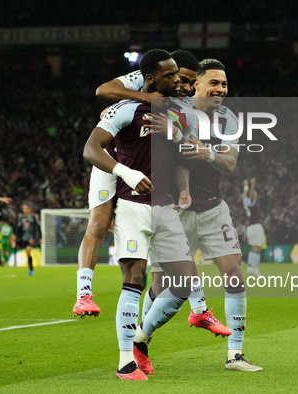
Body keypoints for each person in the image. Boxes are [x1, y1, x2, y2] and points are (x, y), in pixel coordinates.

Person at [84, 49, 228, 380]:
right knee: (133, 280)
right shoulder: (126, 108)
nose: (179, 80)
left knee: (184, 283)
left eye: (181, 76)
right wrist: (126, 173)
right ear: (152, 79)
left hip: (165, 208)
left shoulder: (179, 112)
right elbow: (91, 148)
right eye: (172, 76)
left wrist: (188, 146)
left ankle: (139, 340)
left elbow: (184, 158)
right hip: (133, 205)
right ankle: (125, 363)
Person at [140, 58, 261, 372]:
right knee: (163, 284)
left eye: (224, 84)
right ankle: (141, 340)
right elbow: (175, 159)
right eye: (214, 83)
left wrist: (208, 152)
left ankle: (234, 355)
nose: (221, 90)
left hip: (212, 208)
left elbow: (231, 163)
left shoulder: (228, 118)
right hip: (176, 210)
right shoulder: (178, 111)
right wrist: (182, 187)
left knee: (234, 272)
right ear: (196, 84)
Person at [73, 50, 202, 318]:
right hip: (112, 159)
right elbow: (103, 91)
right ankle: (84, 294)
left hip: (143, 170)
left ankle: (192, 310)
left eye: (191, 83)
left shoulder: (184, 104)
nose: (185, 87)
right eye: (182, 79)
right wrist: (142, 99)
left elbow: (190, 147)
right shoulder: (144, 80)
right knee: (98, 222)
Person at [243, 177, 265, 278]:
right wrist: (252, 185)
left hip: (250, 228)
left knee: (253, 247)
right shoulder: (253, 202)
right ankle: (255, 269)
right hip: (256, 226)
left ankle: (250, 267)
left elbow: (244, 195)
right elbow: (251, 195)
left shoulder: (246, 202)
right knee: (258, 247)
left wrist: (245, 186)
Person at [17, 204, 41, 276]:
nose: (25, 210)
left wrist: (40, 237)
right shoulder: (22, 219)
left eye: (27, 208)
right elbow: (19, 229)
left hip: (31, 238)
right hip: (24, 238)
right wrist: (16, 236)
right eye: (24, 209)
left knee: (28, 251)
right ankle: (31, 270)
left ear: (30, 209)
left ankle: (31, 270)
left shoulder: (32, 218)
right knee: (27, 254)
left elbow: (38, 228)